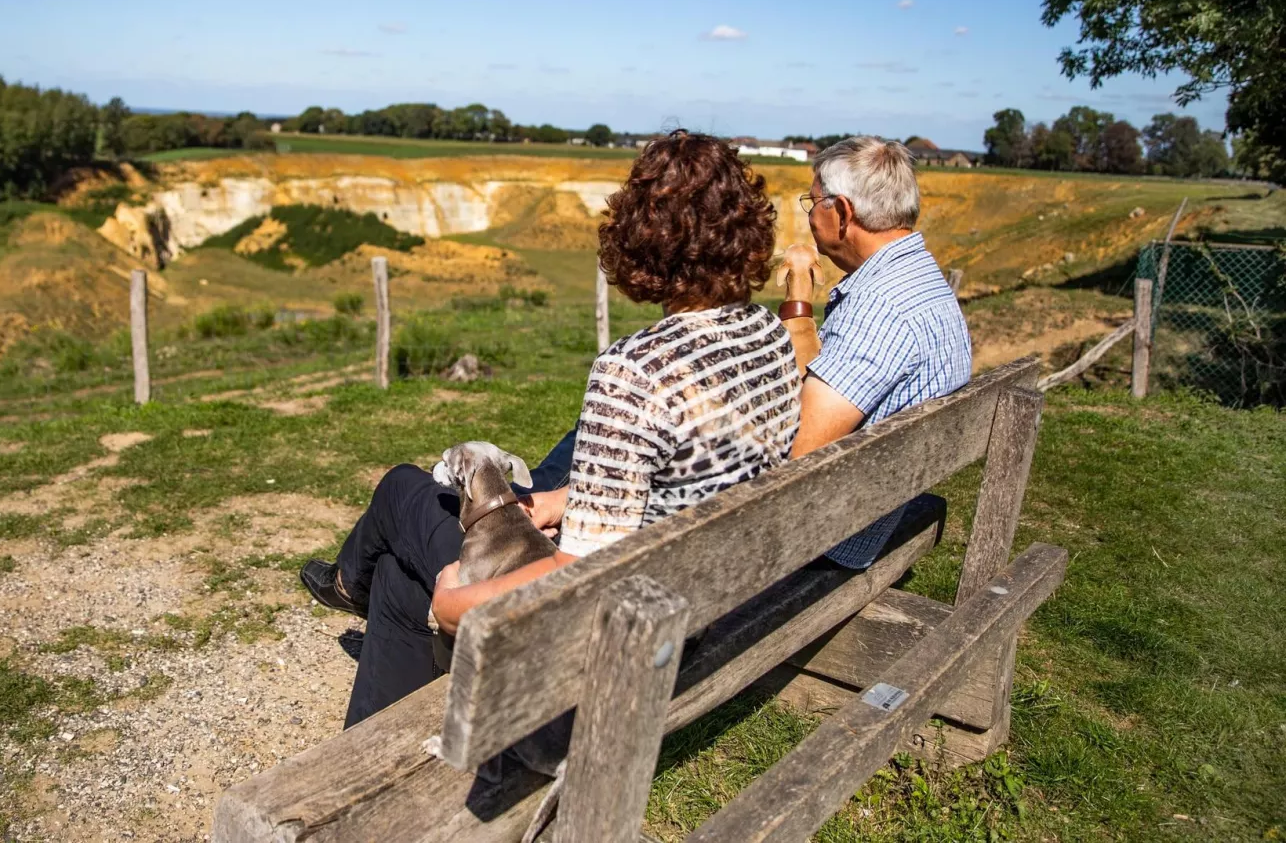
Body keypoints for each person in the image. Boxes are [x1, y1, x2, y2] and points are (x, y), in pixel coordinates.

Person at [301, 130, 803, 726]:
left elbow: (573, 584)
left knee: (405, 495)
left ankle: (362, 717)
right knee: (404, 574)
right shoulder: (771, 336)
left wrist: (455, 601)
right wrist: (563, 499)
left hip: (633, 638)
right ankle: (378, 703)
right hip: (715, 598)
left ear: (641, 239)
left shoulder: (635, 371)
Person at [778, 136, 973, 568]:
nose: (810, 218)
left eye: (813, 204)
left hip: (833, 537)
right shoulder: (920, 278)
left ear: (843, 211)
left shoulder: (879, 308)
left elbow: (798, 453)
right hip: (883, 499)